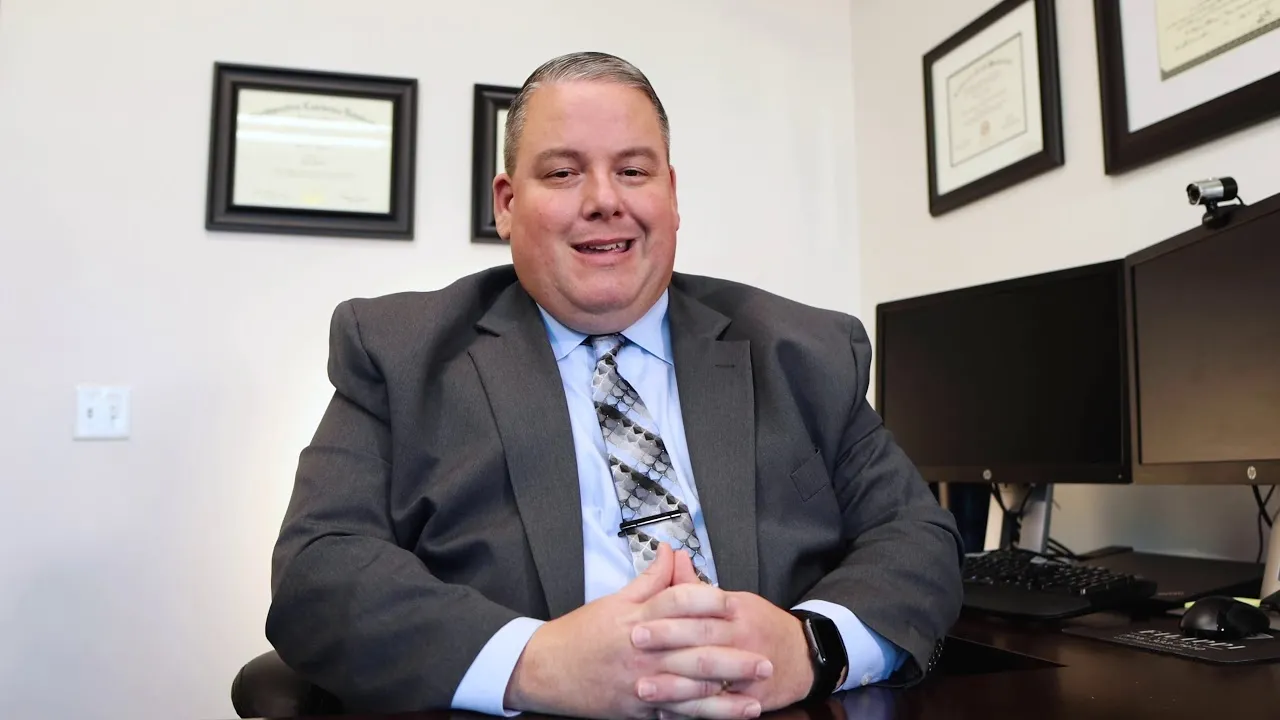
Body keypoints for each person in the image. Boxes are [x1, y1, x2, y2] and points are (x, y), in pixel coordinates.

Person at [265, 51, 963, 720]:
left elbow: (916, 537)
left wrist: (812, 646)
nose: (604, 201)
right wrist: (536, 662)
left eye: (633, 170)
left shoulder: (803, 351)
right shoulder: (399, 353)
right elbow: (317, 575)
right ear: (507, 205)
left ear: (672, 193)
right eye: (564, 173)